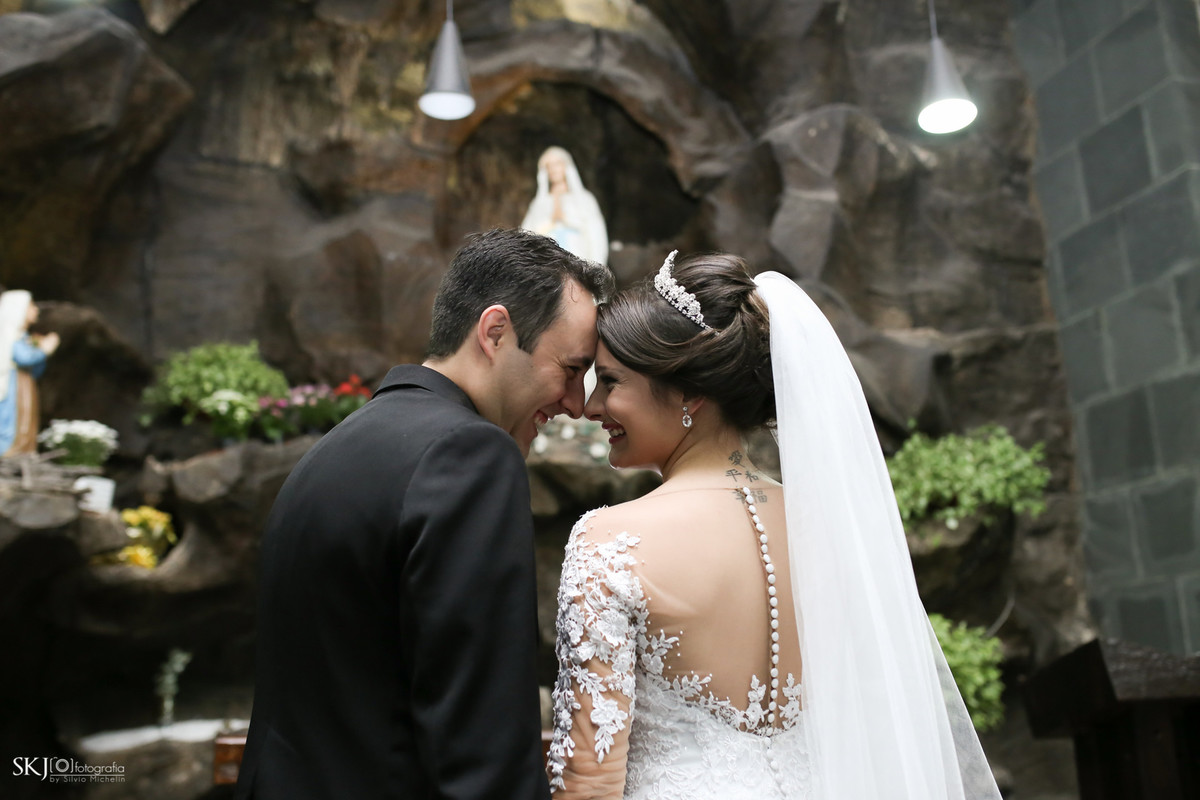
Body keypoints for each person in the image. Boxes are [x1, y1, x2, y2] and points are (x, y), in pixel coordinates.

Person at [547, 252, 1002, 799]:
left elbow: (590, 780)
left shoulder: (610, 543)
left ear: (691, 393)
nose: (591, 406)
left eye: (612, 382)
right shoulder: (830, 527)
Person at [235, 228, 614, 800]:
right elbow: (481, 731)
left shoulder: (336, 447)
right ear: (494, 332)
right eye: (570, 368)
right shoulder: (471, 457)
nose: (576, 402)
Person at [521, 146, 609, 265]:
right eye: (548, 166)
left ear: (566, 166)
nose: (553, 169)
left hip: (579, 261)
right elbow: (526, 234)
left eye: (557, 164)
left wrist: (596, 267)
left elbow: (597, 235)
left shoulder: (584, 199)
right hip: (547, 265)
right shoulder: (539, 203)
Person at [0, 290, 59, 456]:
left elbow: (36, 370)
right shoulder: (9, 335)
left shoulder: (23, 336)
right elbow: (24, 357)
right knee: (11, 421)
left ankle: (20, 451)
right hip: (12, 388)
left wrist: (39, 351)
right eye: (31, 306)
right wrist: (44, 349)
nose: (36, 310)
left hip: (23, 386)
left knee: (25, 420)